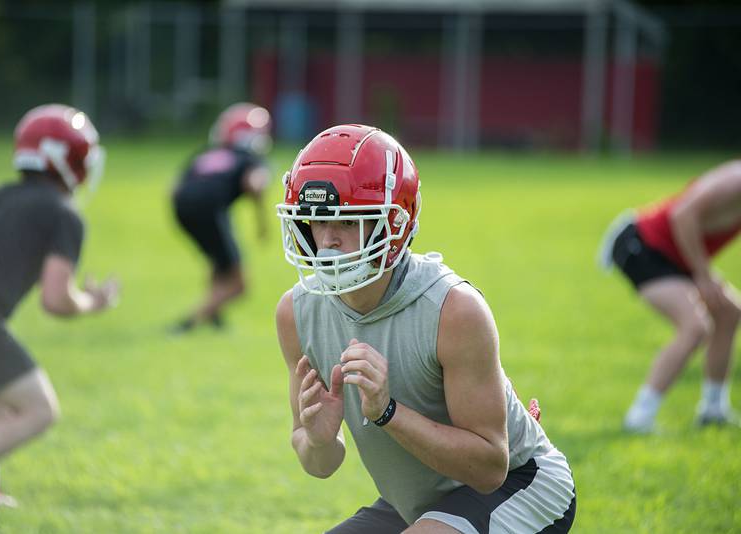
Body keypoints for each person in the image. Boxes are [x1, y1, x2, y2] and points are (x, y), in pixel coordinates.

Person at [274, 124, 576, 533]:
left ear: (393, 225)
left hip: (521, 486)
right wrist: (320, 440)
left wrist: (388, 412)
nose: (327, 240)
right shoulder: (297, 312)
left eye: (347, 222)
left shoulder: (454, 309)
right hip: (420, 502)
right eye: (316, 220)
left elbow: (490, 468)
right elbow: (318, 464)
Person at [0, 104, 119, 517]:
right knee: (40, 410)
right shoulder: (62, 214)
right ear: (70, 160)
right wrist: (94, 302)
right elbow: (56, 299)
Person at [601, 161, 741, 433]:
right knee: (696, 326)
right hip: (642, 245)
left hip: (676, 257)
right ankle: (640, 416)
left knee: (729, 312)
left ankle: (714, 409)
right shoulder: (736, 180)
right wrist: (703, 273)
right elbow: (682, 214)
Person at [170, 102, 272, 332]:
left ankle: (215, 316)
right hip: (211, 208)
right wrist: (262, 222)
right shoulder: (250, 158)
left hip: (181, 207)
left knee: (219, 262)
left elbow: (175, 187)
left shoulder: (207, 153)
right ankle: (191, 321)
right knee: (239, 285)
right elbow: (254, 184)